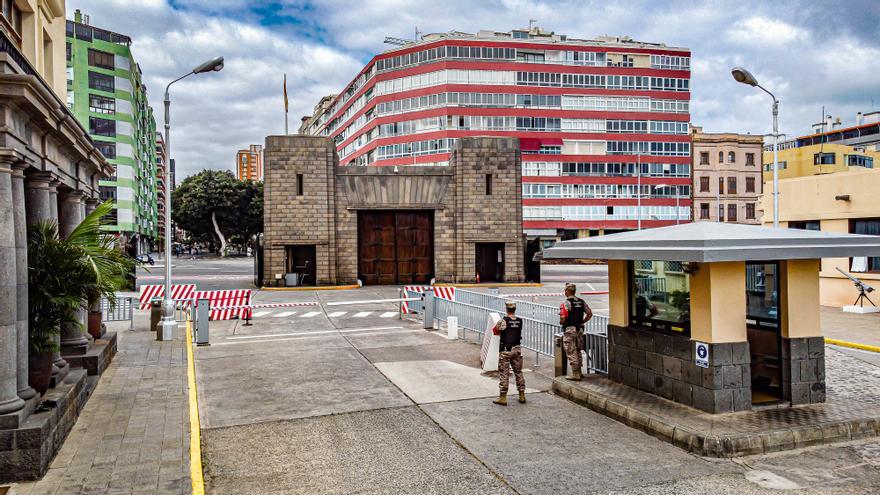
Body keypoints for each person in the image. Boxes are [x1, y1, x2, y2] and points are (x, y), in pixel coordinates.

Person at [492, 301, 526, 406]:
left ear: (506, 309)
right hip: (517, 349)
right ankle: (522, 395)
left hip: (506, 351)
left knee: (504, 373)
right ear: (515, 309)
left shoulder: (503, 321)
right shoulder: (520, 321)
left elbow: (495, 331)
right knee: (518, 372)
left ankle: (503, 397)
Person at [559, 283, 592, 381]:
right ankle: (579, 372)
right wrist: (583, 321)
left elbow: (562, 317)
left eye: (565, 290)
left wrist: (562, 322)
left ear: (567, 291)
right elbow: (589, 313)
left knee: (570, 351)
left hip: (570, 330)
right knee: (578, 350)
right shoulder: (581, 301)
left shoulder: (566, 303)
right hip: (580, 330)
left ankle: (575, 374)